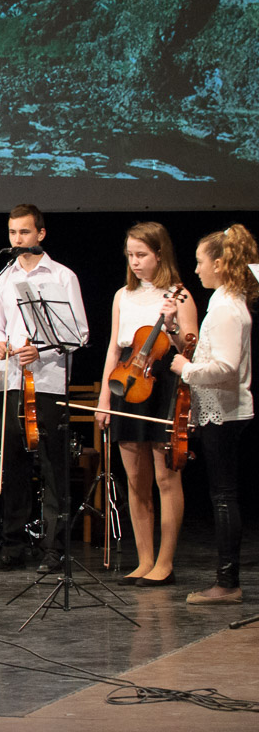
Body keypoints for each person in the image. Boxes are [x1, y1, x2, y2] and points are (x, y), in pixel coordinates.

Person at [0, 204, 89, 573]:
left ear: (40, 234)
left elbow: (79, 334)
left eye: (24, 232)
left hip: (47, 381)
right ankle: (13, 546)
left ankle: (54, 548)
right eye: (12, 233)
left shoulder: (62, 277)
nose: (17, 240)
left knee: (52, 466)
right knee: (12, 465)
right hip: (9, 380)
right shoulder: (4, 278)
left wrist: (39, 349)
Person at [95, 223, 197, 587]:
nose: (135, 262)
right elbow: (113, 347)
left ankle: (165, 563)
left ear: (159, 254)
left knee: (165, 477)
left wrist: (169, 324)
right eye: (130, 256)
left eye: (142, 255)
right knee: (135, 480)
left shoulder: (179, 294)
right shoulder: (123, 295)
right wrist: (104, 398)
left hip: (162, 384)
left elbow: (190, 346)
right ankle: (144, 559)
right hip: (126, 381)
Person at [164, 224, 256, 605]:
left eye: (202, 262)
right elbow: (206, 354)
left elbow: (225, 367)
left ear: (219, 263)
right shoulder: (223, 300)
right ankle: (226, 581)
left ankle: (227, 583)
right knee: (222, 493)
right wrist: (172, 332)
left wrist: (185, 370)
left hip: (226, 413)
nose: (197, 268)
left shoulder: (227, 307)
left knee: (223, 496)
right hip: (218, 410)